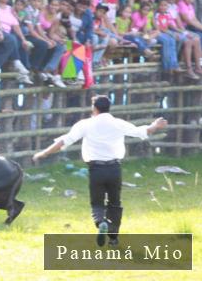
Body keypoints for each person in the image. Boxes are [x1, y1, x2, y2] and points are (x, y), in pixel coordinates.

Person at [33, 95, 167, 247]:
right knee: (115, 203)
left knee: (97, 203)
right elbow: (142, 131)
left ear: (94, 108)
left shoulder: (85, 124)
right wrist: (155, 125)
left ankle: (101, 222)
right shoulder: (118, 123)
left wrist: (44, 153)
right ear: (109, 107)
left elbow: (64, 141)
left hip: (96, 169)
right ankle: (114, 239)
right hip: (115, 168)